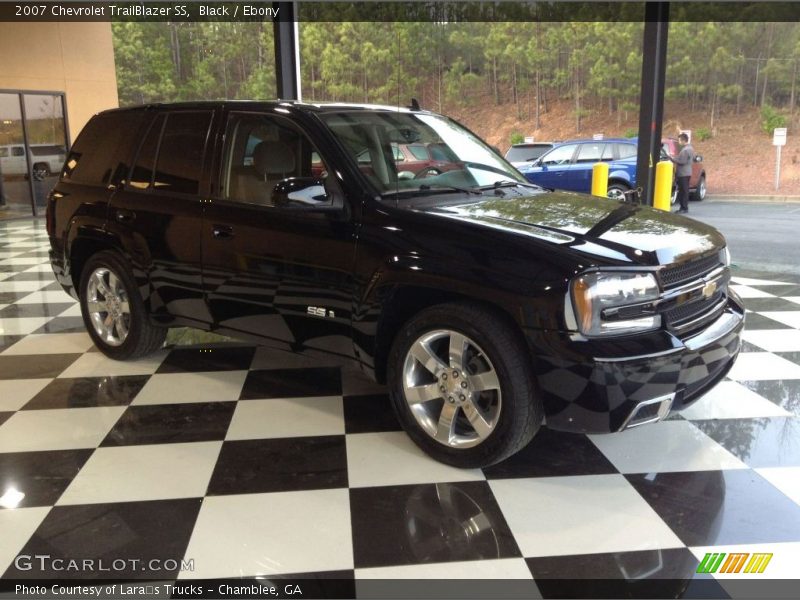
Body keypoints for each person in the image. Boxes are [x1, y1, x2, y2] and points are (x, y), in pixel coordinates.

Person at [671, 133, 695, 214]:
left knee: (683, 191)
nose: (679, 142)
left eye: (679, 140)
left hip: (683, 173)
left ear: (683, 140)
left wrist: (671, 159)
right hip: (688, 172)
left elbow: (682, 161)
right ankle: (684, 207)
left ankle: (683, 208)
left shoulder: (685, 150)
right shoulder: (690, 148)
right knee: (685, 191)